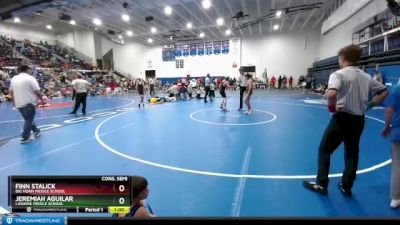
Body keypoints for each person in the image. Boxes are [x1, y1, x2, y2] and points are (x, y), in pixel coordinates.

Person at [303, 45, 389, 197]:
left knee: (325, 149)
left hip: (342, 118)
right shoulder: (365, 76)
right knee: (352, 152)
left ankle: (321, 184)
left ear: (342, 58)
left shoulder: (339, 74)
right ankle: (346, 186)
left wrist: (331, 109)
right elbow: (384, 92)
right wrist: (369, 105)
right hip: (359, 119)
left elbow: (331, 94)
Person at [9, 65, 44, 144]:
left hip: (19, 103)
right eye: (31, 69)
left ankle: (36, 131)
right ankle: (25, 137)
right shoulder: (30, 78)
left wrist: (13, 101)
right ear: (27, 69)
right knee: (28, 120)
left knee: (28, 119)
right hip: (29, 103)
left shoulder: (14, 78)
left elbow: (11, 91)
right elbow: (37, 91)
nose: (32, 71)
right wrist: (42, 99)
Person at [382, 84, 400, 208]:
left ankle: (396, 197)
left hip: (398, 132)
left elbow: (389, 109)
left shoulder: (397, 89)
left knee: (397, 166)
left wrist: (387, 126)